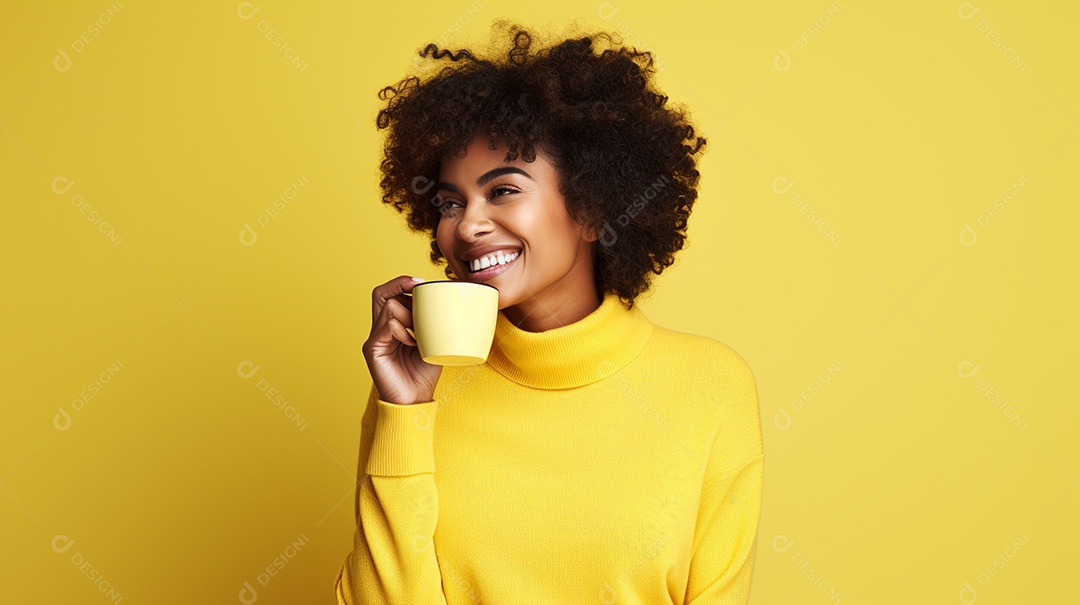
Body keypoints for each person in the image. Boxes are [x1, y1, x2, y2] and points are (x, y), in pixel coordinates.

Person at [335, 20, 764, 605]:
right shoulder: (420, 386)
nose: (466, 225)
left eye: (503, 189)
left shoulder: (711, 384)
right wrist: (403, 413)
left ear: (591, 208)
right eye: (449, 202)